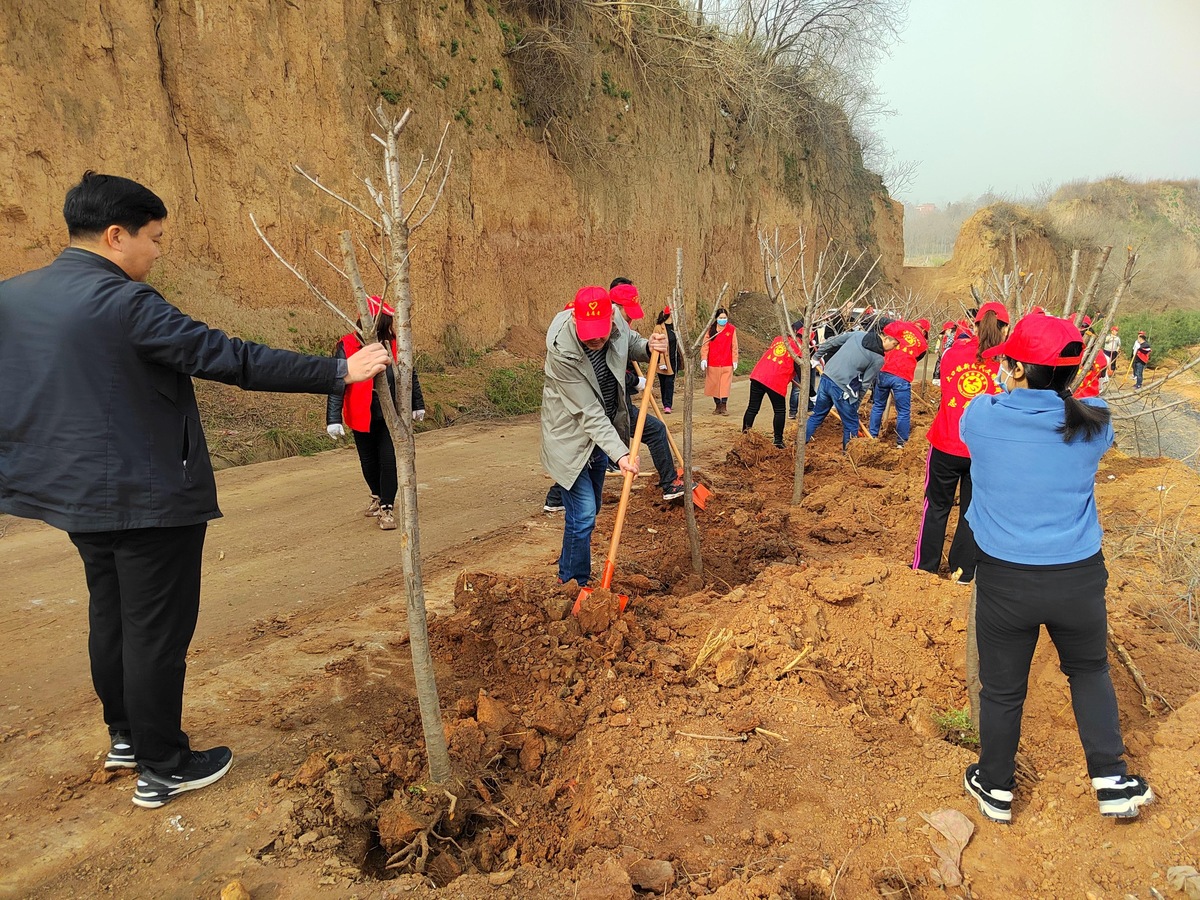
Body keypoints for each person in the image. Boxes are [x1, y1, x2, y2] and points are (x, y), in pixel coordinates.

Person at [0, 172, 391, 808]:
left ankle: (126, 737)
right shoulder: (124, 303)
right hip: (147, 497)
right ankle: (164, 765)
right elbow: (226, 357)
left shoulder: (14, 298)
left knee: (112, 615)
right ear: (116, 235)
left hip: (71, 495)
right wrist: (338, 371)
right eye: (153, 239)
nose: (157, 253)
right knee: (155, 629)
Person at [960, 313, 1153, 824]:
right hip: (1078, 577)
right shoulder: (1095, 422)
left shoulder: (981, 417)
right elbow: (1083, 408)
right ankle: (1112, 781)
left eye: (1008, 363)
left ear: (1018, 367)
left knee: (1001, 690)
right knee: (1089, 671)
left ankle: (996, 787)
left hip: (1005, 580)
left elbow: (983, 415)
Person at [540, 285, 668, 585]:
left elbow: (629, 342)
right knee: (583, 513)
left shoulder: (615, 318)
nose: (597, 338)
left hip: (604, 431)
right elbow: (587, 412)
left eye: (602, 331)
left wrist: (648, 347)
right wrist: (621, 454)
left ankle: (569, 565)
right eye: (589, 333)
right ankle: (574, 582)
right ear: (575, 321)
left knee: (589, 511)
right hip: (571, 437)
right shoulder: (562, 351)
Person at [913, 302, 1009, 584]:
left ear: (976, 326)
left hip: (945, 442)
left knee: (936, 507)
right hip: (983, 451)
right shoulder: (1007, 366)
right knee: (972, 512)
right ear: (1005, 329)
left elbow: (946, 390)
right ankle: (963, 572)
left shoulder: (953, 354)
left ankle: (925, 568)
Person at [326, 295, 426, 530]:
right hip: (360, 413)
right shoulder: (347, 345)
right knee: (368, 460)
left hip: (390, 415)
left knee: (389, 460)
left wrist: (417, 403)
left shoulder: (396, 345)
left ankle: (387, 507)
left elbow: (410, 375)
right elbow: (337, 381)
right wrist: (333, 417)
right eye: (388, 320)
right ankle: (377, 496)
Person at [805, 326, 897, 450]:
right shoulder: (878, 359)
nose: (894, 348)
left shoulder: (858, 334)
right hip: (842, 388)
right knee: (851, 425)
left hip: (827, 377)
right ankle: (848, 456)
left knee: (817, 415)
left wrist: (816, 357)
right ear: (886, 339)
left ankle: (799, 444)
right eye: (894, 344)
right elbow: (865, 384)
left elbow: (831, 341)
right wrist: (856, 404)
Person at [742, 324, 803, 449]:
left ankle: (744, 435)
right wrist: (809, 389)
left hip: (758, 375)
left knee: (753, 408)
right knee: (779, 410)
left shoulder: (778, 339)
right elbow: (799, 368)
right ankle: (778, 441)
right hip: (775, 379)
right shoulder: (798, 347)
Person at [868, 320, 928, 448]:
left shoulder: (900, 325)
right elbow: (917, 358)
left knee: (878, 405)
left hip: (885, 370)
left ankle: (872, 436)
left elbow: (885, 332)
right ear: (924, 331)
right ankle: (901, 442)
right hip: (902, 376)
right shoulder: (923, 343)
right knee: (903, 411)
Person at [700, 308, 738, 415]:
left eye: (725, 318)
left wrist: (734, 360)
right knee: (714, 385)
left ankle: (724, 406)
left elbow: (734, 346)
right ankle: (717, 406)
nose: (723, 320)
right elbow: (705, 345)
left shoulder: (731, 329)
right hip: (713, 362)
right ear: (716, 318)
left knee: (725, 385)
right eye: (720, 318)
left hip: (726, 362)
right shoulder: (711, 330)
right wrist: (704, 358)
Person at [655, 306, 682, 413]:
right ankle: (665, 402)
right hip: (663, 360)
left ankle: (668, 405)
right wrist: (661, 361)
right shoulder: (659, 327)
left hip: (673, 360)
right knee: (663, 383)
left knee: (670, 382)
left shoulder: (676, 327)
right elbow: (657, 344)